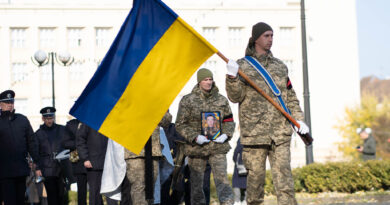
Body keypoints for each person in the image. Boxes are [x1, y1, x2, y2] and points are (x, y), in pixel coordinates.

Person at [225, 22, 310, 205]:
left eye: (272, 36)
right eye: (266, 36)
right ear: (256, 38)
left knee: (285, 182)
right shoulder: (242, 66)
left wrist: (299, 120)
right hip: (255, 135)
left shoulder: (280, 66)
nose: (270, 39)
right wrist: (232, 77)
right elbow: (235, 97)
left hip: (280, 133)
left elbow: (290, 96)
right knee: (255, 186)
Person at [176, 68, 235, 205]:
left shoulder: (221, 100)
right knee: (197, 186)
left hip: (217, 147)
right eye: (205, 80)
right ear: (199, 82)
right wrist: (195, 137)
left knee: (223, 182)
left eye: (210, 79)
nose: (209, 82)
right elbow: (180, 124)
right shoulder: (188, 100)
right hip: (197, 149)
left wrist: (226, 135)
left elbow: (229, 121)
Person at [124, 112, 172, 205]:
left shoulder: (155, 100)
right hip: (134, 151)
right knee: (138, 187)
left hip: (152, 151)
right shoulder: (127, 99)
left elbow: (166, 122)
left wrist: (156, 109)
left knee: (151, 189)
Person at [0, 90, 38, 205]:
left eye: (11, 102)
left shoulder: (22, 120)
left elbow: (31, 142)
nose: (10, 105)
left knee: (21, 200)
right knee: (9, 201)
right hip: (4, 171)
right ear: (0, 104)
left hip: (21, 169)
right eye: (7, 102)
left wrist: (36, 160)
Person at [34, 107, 69, 205]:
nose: (49, 120)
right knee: (52, 196)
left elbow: (69, 143)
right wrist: (37, 168)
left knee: (62, 196)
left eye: (51, 118)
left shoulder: (62, 129)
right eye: (47, 118)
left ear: (54, 117)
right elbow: (35, 152)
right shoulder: (38, 134)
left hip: (61, 168)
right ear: (43, 119)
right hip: (47, 169)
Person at [76, 122, 117, 205]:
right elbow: (80, 141)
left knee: (111, 194)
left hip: (110, 162)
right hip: (93, 163)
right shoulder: (88, 121)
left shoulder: (111, 120)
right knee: (95, 193)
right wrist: (85, 158)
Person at [62, 119, 88, 205]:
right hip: (78, 162)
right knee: (81, 191)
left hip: (93, 160)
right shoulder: (71, 124)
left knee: (96, 190)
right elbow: (65, 143)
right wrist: (80, 142)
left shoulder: (91, 122)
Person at [232, 138, 247, 205]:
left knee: (236, 184)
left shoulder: (241, 138)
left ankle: (237, 201)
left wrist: (236, 161)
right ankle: (245, 201)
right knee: (247, 184)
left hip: (239, 167)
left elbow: (236, 152)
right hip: (248, 166)